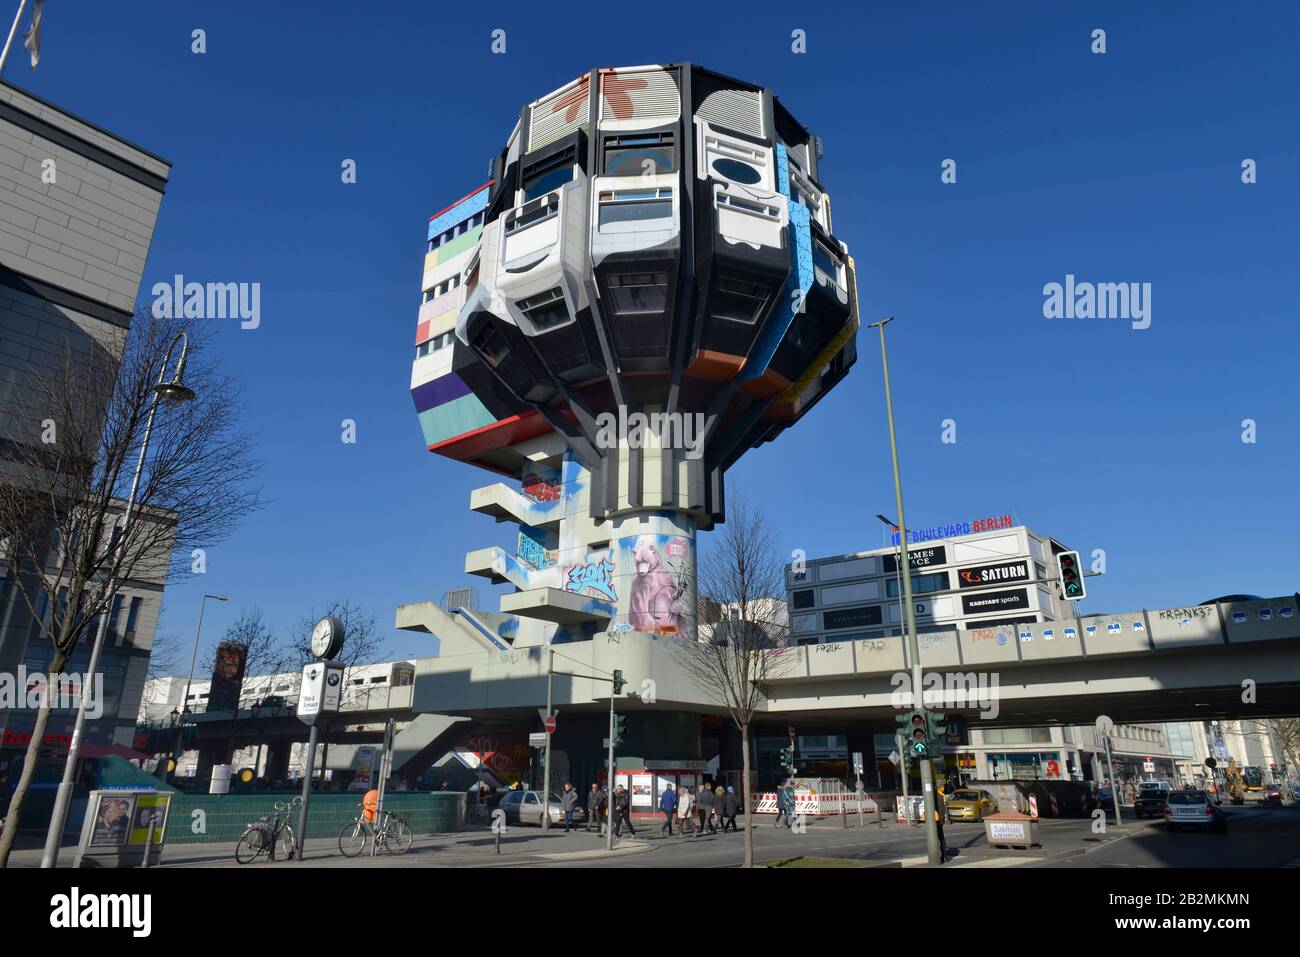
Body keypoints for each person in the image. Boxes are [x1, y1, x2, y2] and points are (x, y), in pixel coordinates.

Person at [934, 788, 948, 862]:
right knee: (941, 838)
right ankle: (944, 855)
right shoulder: (940, 796)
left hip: (935, 821)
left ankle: (940, 855)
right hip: (939, 821)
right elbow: (943, 809)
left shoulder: (931, 797)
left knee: (938, 838)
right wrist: (942, 820)